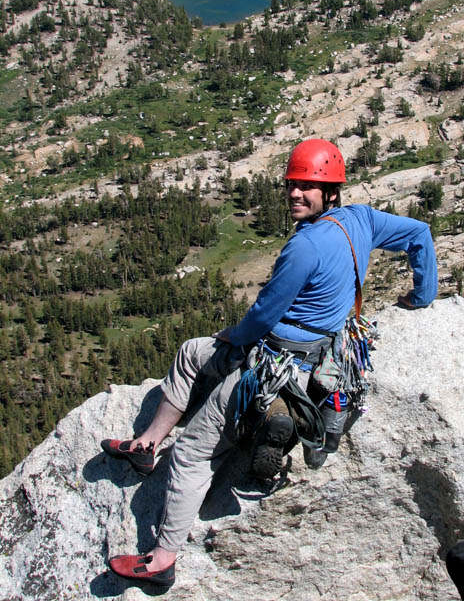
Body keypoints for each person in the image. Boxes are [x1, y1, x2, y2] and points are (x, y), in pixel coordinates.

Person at [102, 138, 438, 588]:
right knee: (189, 353)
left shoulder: (304, 248)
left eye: (307, 187)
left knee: (192, 453)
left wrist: (232, 337)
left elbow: (264, 314)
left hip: (273, 364)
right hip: (320, 355)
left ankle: (163, 558)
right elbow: (419, 234)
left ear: (330, 192)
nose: (295, 194)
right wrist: (422, 295)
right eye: (292, 185)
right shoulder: (361, 220)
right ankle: (146, 445)